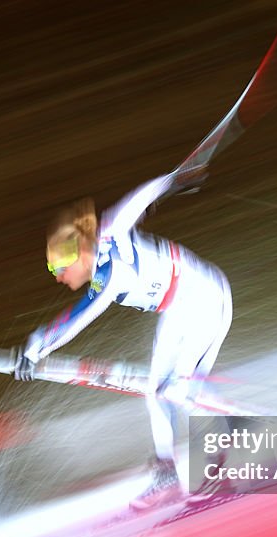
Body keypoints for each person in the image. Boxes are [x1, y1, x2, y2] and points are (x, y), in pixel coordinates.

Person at [14, 173, 234, 509]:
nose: (57, 276)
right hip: (177, 309)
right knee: (158, 392)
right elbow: (140, 197)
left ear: (79, 253)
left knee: (179, 388)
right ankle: (168, 471)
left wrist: (37, 345)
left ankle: (234, 445)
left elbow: (79, 317)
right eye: (50, 267)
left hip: (207, 299)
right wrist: (173, 179)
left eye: (59, 265)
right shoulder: (106, 239)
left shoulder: (110, 268)